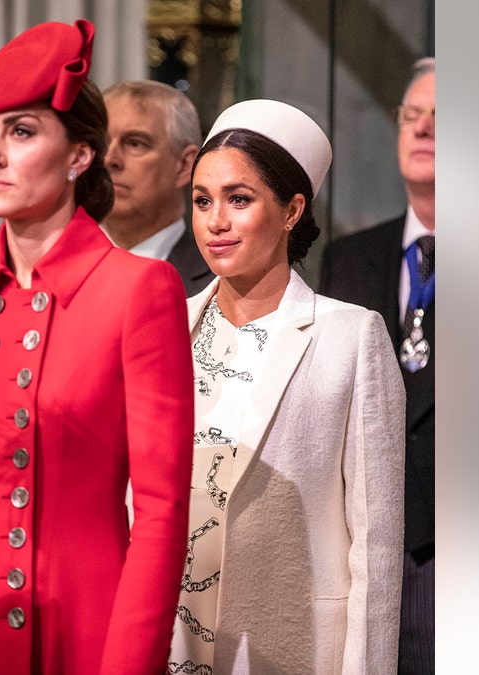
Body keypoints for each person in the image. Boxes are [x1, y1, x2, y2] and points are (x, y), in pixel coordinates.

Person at [0, 19, 194, 674]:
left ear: (81, 154)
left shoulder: (139, 290)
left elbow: (163, 518)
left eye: (21, 131)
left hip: (83, 632)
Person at [172, 99, 406, 674]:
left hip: (293, 646)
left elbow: (374, 546)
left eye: (240, 199)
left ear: (292, 209)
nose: (215, 221)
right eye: (203, 200)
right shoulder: (165, 329)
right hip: (171, 639)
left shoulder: (351, 337)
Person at [319, 56, 435, 675]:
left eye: (445, 117)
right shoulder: (347, 260)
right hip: (361, 555)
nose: (424, 128)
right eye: (412, 115)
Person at [101, 80, 214, 296]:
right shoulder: (47, 264)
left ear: (184, 165)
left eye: (135, 143)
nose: (109, 159)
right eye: (102, 143)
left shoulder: (222, 287)